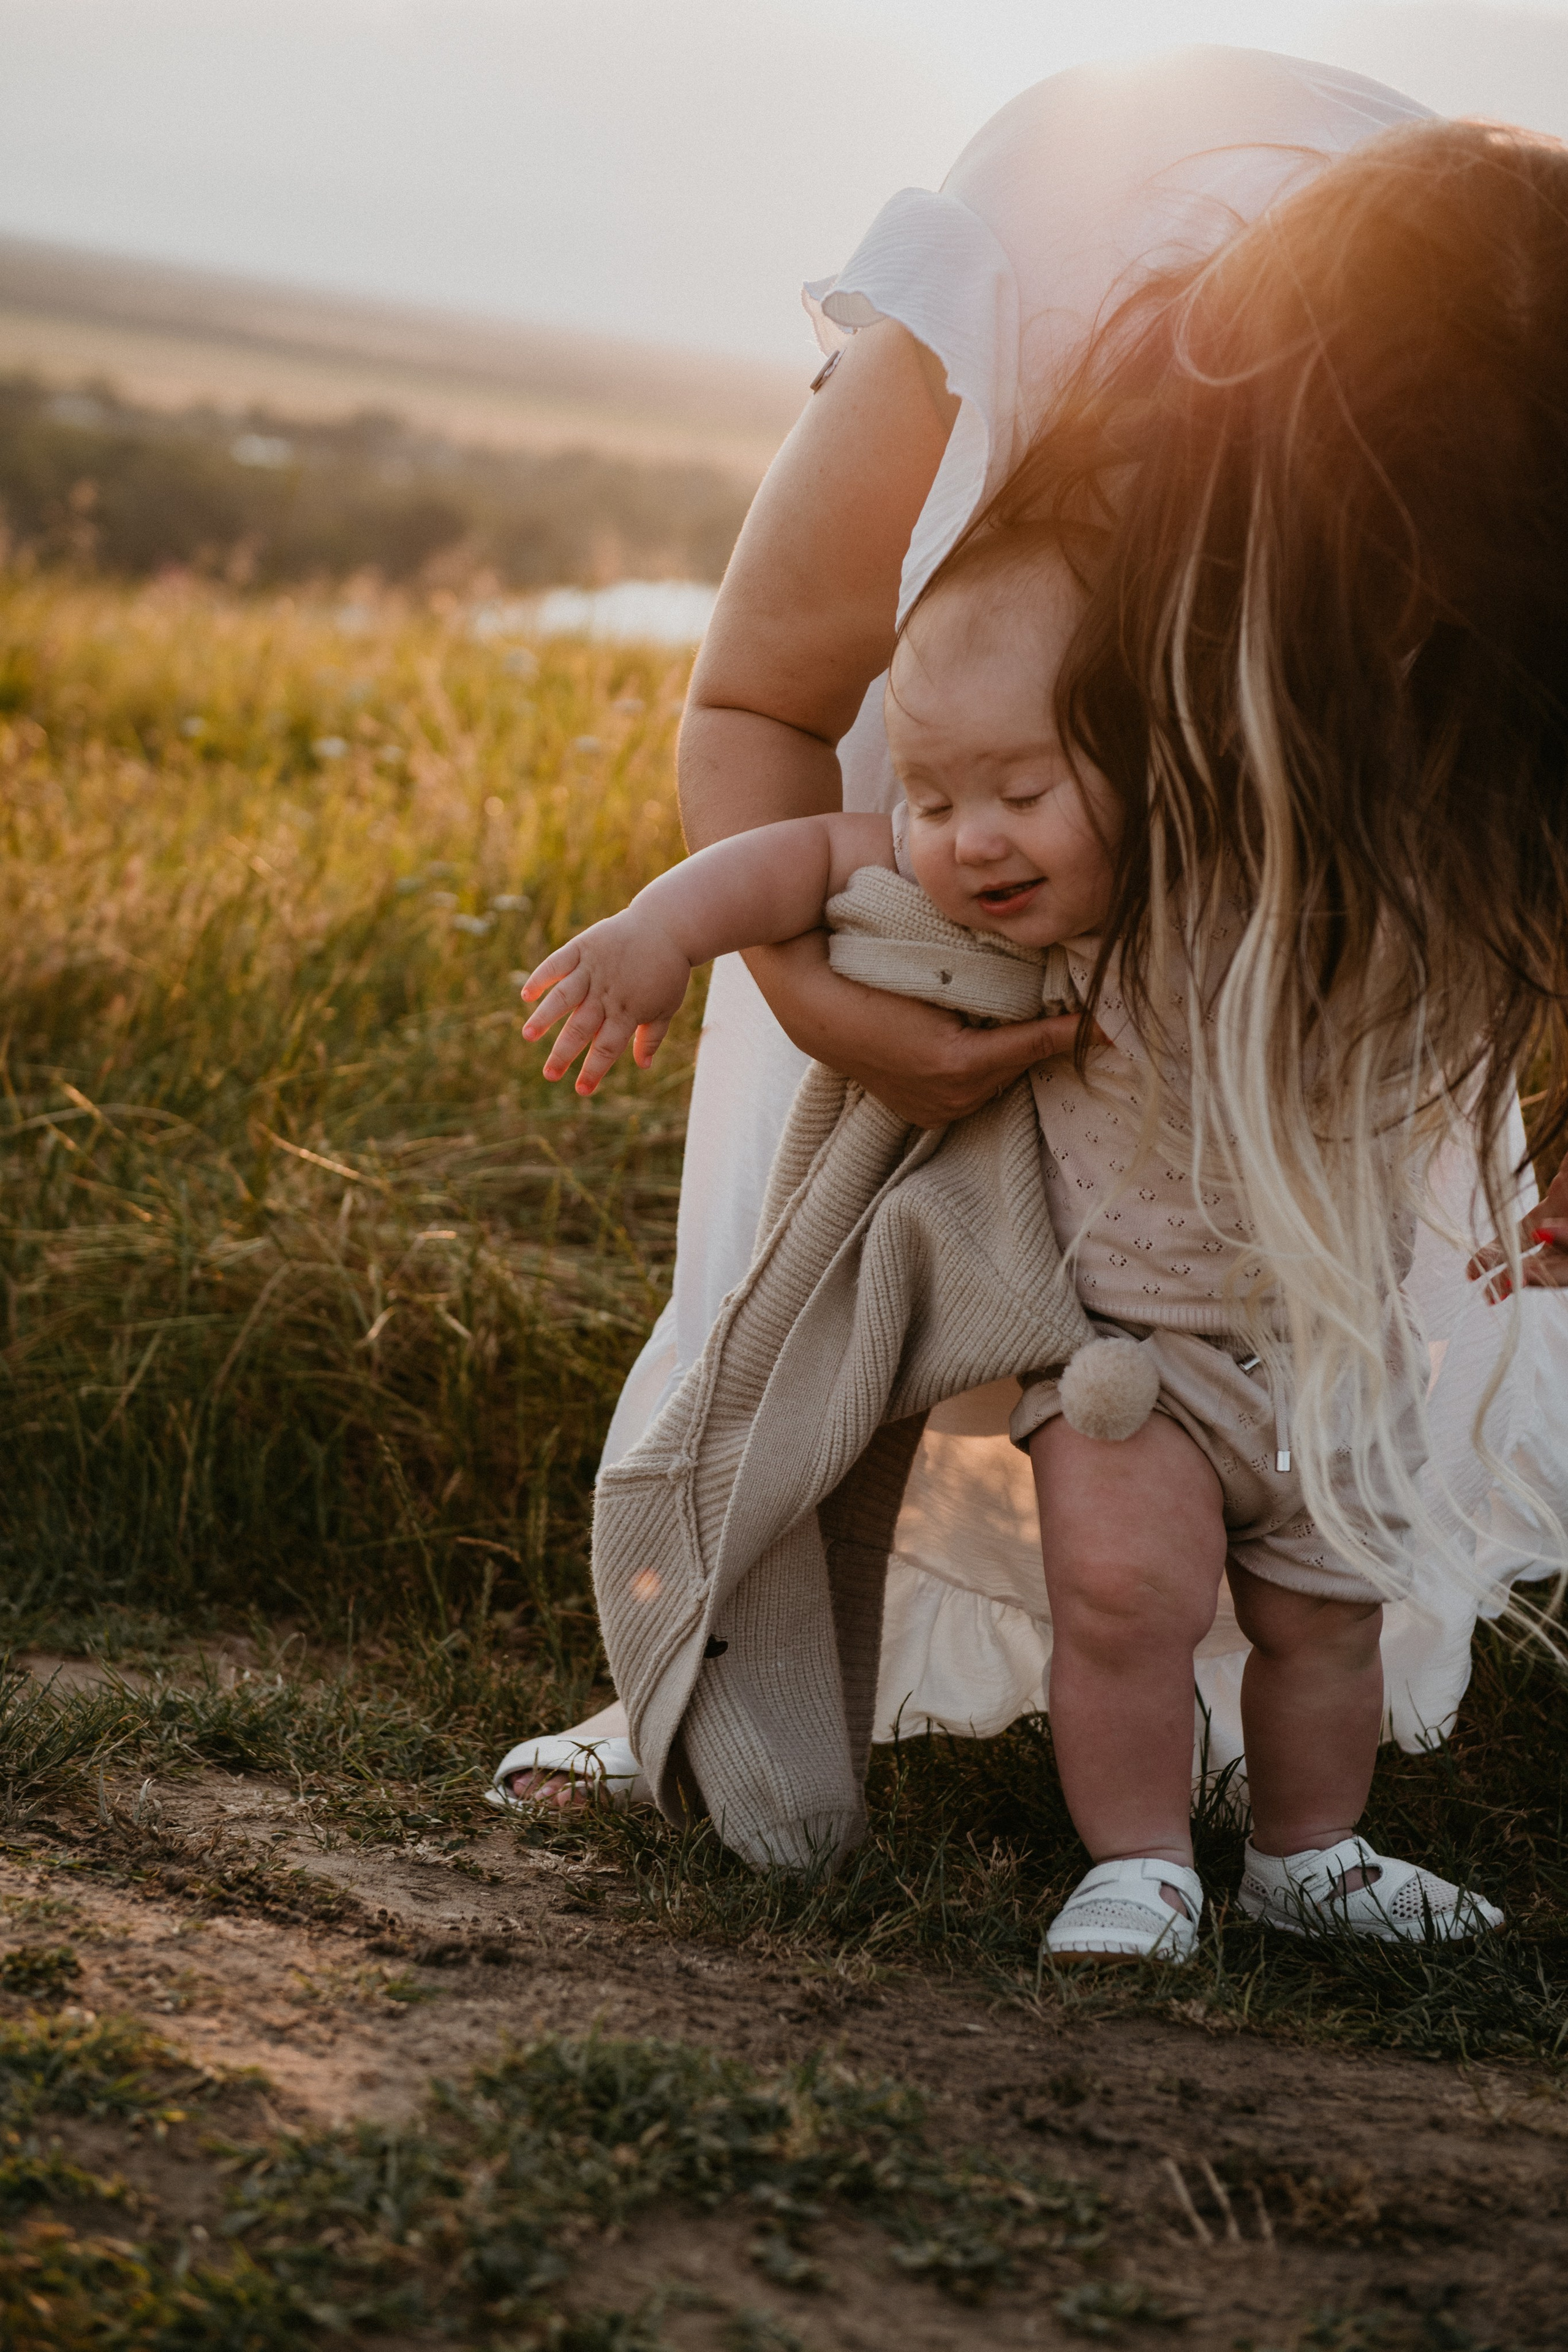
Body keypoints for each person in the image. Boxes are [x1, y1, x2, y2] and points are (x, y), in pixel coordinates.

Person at [494, 51, 1568, 1921]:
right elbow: (762, 699)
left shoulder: (1519, 462)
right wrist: (820, 1001)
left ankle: (1265, 1763)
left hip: (1309, 966)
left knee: (1317, 1304)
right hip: (964, 837)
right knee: (818, 1251)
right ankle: (734, 1654)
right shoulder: (1009, 295)